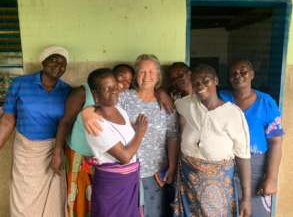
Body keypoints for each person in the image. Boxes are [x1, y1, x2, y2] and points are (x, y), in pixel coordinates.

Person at [83, 54, 179, 217]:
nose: (146, 76)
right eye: (142, 72)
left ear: (158, 76)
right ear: (136, 76)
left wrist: (172, 166)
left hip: (154, 173)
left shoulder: (166, 103)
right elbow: (102, 104)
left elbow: (172, 136)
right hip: (123, 175)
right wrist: (86, 112)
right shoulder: (124, 97)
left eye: (151, 72)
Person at [0, 46, 71, 217]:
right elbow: (8, 120)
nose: (58, 65)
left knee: (53, 199)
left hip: (54, 150)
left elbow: (66, 123)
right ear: (43, 61)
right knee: (23, 199)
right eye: (54, 59)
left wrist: (58, 152)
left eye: (63, 63)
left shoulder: (67, 91)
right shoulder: (21, 84)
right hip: (25, 151)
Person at [173, 64, 252, 217]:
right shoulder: (186, 104)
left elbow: (243, 157)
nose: (200, 85)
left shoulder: (233, 114)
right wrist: (162, 93)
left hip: (220, 184)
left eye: (206, 80)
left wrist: (246, 198)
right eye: (195, 83)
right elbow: (171, 104)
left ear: (216, 81)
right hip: (188, 181)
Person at [220, 60, 284, 217]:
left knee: (255, 212)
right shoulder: (221, 98)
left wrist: (271, 178)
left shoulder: (266, 102)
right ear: (229, 78)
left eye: (243, 72)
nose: (238, 76)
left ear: (252, 74)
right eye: (233, 73)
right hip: (225, 165)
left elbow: (276, 142)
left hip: (256, 167)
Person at [82, 68, 148, 217]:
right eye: (107, 88)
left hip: (129, 182)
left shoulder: (119, 109)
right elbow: (124, 157)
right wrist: (140, 132)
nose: (114, 91)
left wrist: (135, 129)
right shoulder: (95, 123)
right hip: (112, 186)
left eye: (115, 86)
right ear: (95, 95)